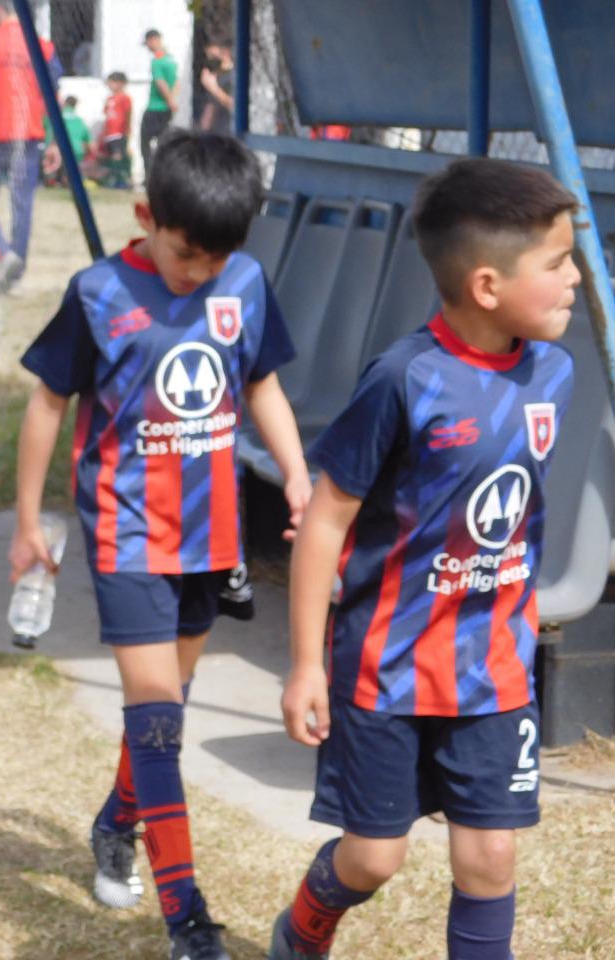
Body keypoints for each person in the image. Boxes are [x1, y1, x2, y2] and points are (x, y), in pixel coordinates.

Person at [268, 158, 580, 960]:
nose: (576, 277)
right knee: (374, 858)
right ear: (486, 285)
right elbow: (327, 520)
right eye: (557, 262)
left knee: (491, 856)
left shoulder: (556, 371)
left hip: (495, 670)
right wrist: (306, 665)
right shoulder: (404, 380)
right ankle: (303, 930)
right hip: (387, 672)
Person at [11, 131, 310, 960]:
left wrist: (294, 474)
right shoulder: (98, 291)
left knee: (163, 716)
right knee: (154, 722)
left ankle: (115, 822)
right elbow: (46, 404)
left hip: (212, 535)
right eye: (187, 255)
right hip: (126, 533)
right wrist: (29, 520)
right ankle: (188, 918)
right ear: (146, 216)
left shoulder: (243, 283)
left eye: (217, 258)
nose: (201, 272)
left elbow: (263, 386)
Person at [0, 0, 63, 295]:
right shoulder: (44, 47)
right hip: (28, 134)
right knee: (22, 203)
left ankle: (5, 255)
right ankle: (15, 273)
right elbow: (55, 96)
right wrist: (54, 140)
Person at [141, 29, 180, 183]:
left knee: (145, 144)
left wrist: (169, 99)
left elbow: (160, 82)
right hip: (167, 110)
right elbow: (176, 82)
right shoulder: (171, 59)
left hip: (154, 108)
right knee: (164, 143)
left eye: (148, 43)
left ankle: (150, 177)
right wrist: (173, 101)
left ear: (153, 40)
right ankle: (165, 175)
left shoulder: (157, 60)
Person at [43, 95, 92, 188]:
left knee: (53, 165)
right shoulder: (79, 120)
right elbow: (88, 139)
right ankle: (67, 181)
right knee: (70, 169)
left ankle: (52, 181)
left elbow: (46, 127)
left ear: (65, 103)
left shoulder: (55, 115)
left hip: (58, 148)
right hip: (77, 150)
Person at [101, 72, 133, 189]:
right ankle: (112, 178)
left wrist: (127, 131)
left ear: (120, 84)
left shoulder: (125, 98)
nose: (109, 85)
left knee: (118, 155)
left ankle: (119, 181)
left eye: (112, 82)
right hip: (109, 133)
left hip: (118, 133)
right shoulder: (109, 98)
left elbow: (128, 115)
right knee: (110, 156)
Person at [198, 40, 235, 134]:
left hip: (228, 132)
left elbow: (234, 105)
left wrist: (213, 88)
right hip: (214, 133)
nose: (210, 60)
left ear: (226, 53)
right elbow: (210, 107)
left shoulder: (234, 76)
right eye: (208, 57)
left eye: (213, 57)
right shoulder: (216, 76)